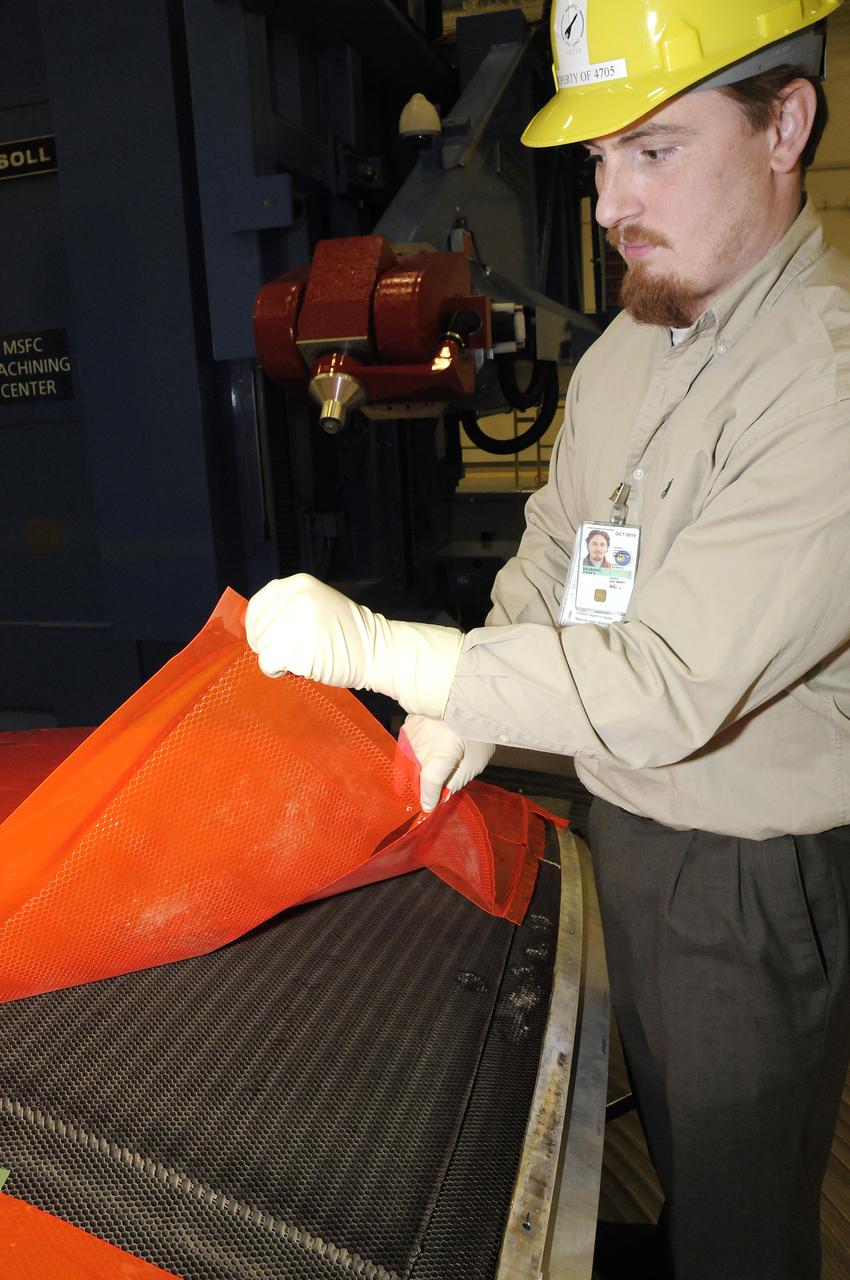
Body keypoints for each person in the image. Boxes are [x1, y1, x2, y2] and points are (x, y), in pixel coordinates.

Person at [245, 2, 850, 1275]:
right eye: (596, 160)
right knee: (680, 1165)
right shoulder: (633, 343)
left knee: (742, 1228)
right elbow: (556, 550)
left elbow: (667, 684)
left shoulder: (824, 383)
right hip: (620, 825)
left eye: (656, 149)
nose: (613, 200)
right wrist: (475, 698)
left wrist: (394, 653)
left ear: (785, 125)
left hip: (746, 882)